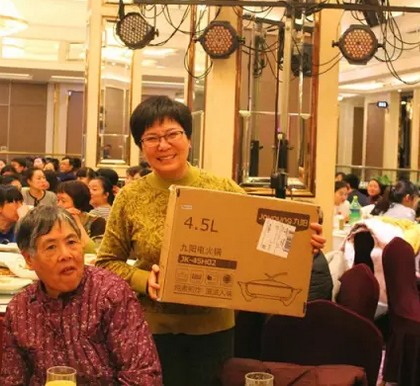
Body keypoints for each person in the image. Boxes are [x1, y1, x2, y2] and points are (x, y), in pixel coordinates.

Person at [95, 96, 326, 386]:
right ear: (142, 147)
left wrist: (302, 243)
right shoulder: (131, 197)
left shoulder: (221, 189)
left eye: (172, 134)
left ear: (189, 139)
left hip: (213, 331)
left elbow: (260, 240)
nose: (163, 145)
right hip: (150, 331)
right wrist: (143, 279)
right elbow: (106, 263)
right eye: (151, 138)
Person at [1, 206, 162, 386]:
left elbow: (143, 377)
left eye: (71, 242)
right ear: (29, 259)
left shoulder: (111, 294)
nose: (66, 255)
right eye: (51, 247)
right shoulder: (21, 309)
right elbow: (12, 380)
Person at [57, 180, 106, 253]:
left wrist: (77, 222)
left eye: (63, 201)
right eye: (58, 200)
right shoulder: (57, 222)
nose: (58, 205)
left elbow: (94, 251)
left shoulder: (97, 222)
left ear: (78, 203)